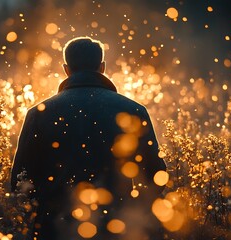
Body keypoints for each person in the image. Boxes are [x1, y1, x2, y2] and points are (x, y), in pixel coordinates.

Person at [11, 37, 166, 239]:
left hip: (55, 229)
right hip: (115, 228)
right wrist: (131, 212)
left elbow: (19, 182)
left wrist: (44, 213)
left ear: (66, 69)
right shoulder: (133, 110)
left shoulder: (38, 114)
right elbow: (155, 176)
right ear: (102, 67)